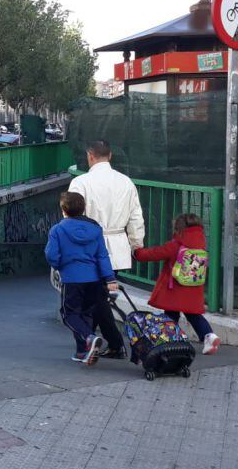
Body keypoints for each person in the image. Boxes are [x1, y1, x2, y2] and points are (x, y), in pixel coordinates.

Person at [67, 139, 145, 358]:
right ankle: (107, 343)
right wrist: (136, 243)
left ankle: (92, 343)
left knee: (89, 300)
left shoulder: (80, 183)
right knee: (99, 297)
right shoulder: (125, 182)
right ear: (109, 156)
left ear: (90, 156)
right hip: (117, 246)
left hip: (87, 249)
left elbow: (71, 218)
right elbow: (136, 215)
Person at [45, 191, 118, 366]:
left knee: (69, 314)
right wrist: (110, 278)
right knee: (85, 314)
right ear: (83, 208)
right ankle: (82, 351)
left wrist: (61, 265)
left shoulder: (58, 229)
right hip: (94, 279)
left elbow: (51, 255)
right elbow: (102, 255)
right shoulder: (95, 228)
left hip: (72, 278)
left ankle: (89, 337)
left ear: (64, 209)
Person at [134, 213, 220, 355]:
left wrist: (137, 253)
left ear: (178, 228)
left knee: (171, 315)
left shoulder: (176, 245)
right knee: (194, 315)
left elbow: (155, 253)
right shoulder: (201, 244)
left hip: (175, 289)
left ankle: (170, 340)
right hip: (194, 287)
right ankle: (209, 335)